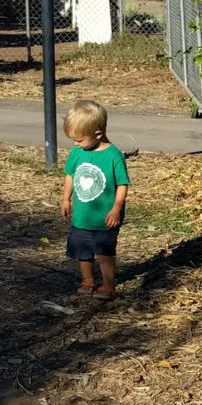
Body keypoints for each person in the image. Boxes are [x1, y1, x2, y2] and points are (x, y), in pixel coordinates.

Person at [60, 100, 130, 300]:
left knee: (105, 253)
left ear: (98, 134)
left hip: (105, 219)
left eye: (79, 140)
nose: (75, 144)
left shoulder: (113, 155)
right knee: (82, 251)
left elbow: (122, 184)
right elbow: (70, 175)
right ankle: (87, 280)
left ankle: (109, 285)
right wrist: (66, 199)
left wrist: (116, 208)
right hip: (82, 216)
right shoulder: (77, 152)